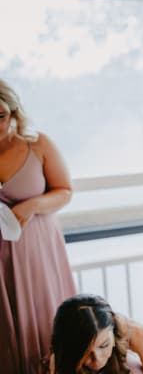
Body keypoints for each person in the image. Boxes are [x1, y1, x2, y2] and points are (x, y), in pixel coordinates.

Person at [0, 79, 77, 374]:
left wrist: (32, 205)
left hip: (37, 251)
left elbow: (65, 190)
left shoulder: (37, 143)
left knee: (45, 323)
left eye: (1, 116)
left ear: (15, 111)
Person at [48, 294, 143, 374]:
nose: (97, 359)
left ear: (113, 333)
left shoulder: (138, 334)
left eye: (104, 345)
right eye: (86, 353)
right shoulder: (60, 360)